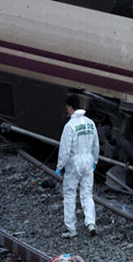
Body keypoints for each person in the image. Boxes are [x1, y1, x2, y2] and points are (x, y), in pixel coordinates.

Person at [56, 94, 99, 238]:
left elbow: (65, 149)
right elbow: (96, 145)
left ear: (70, 107)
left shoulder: (70, 126)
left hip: (74, 163)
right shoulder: (90, 123)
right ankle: (91, 223)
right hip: (88, 161)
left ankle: (71, 229)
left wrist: (59, 166)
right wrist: (95, 161)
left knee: (69, 194)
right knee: (87, 194)